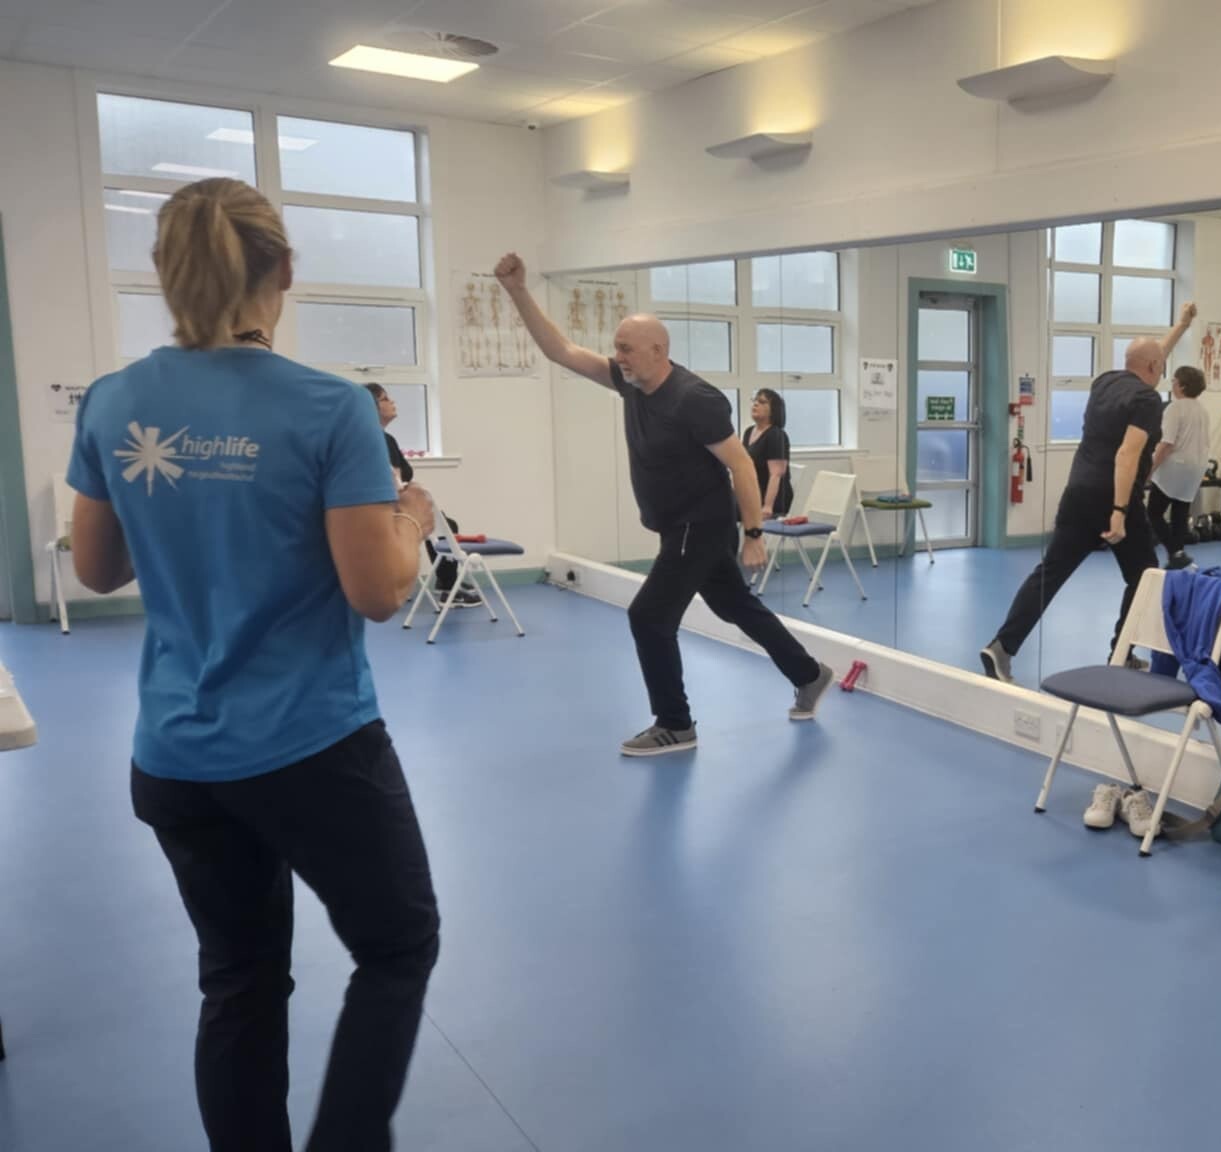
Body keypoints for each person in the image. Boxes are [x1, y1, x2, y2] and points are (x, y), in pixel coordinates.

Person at [66, 178, 440, 1152]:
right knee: (398, 945)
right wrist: (411, 519)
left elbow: (99, 570)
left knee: (238, 979)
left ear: (164, 275)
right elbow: (377, 590)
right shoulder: (329, 408)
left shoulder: (114, 402)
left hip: (177, 755)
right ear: (283, 271)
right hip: (312, 746)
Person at [494, 252, 833, 756]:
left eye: (628, 349)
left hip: (701, 521)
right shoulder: (631, 385)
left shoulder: (694, 398)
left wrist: (755, 534)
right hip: (679, 524)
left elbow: (741, 465)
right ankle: (809, 673)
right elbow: (561, 350)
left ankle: (675, 723)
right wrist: (518, 290)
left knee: (648, 616)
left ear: (658, 350)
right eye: (617, 350)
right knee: (734, 604)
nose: (619, 357)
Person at [980, 302, 1198, 686]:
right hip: (1113, 498)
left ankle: (1002, 646)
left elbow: (1152, 354)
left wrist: (1182, 325)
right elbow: (1127, 454)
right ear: (1151, 369)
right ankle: (1121, 653)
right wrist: (1118, 511)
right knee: (1145, 576)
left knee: (1050, 572)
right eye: (1160, 365)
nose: (1163, 369)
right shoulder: (1147, 401)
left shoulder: (1105, 381)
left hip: (1077, 491)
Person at [363, 382, 481, 607]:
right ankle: (449, 587)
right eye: (386, 399)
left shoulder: (379, 438)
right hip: (391, 512)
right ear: (372, 407)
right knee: (444, 525)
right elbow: (394, 484)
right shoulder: (381, 440)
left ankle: (448, 582)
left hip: (378, 509)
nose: (393, 402)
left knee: (443, 523)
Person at [1147, 364, 1210, 569]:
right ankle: (1178, 554)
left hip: (1175, 466)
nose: (1172, 384)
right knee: (1180, 512)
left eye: (1174, 380)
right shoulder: (1202, 410)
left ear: (1182, 386)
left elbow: (1167, 443)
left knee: (1154, 513)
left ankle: (1175, 552)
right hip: (1196, 466)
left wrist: (1150, 469)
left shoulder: (1175, 408)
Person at [743, 388, 794, 519]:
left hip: (772, 499)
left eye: (762, 402)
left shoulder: (776, 435)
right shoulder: (749, 432)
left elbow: (776, 474)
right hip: (753, 493)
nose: (755, 404)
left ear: (773, 410)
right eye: (754, 401)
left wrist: (767, 506)